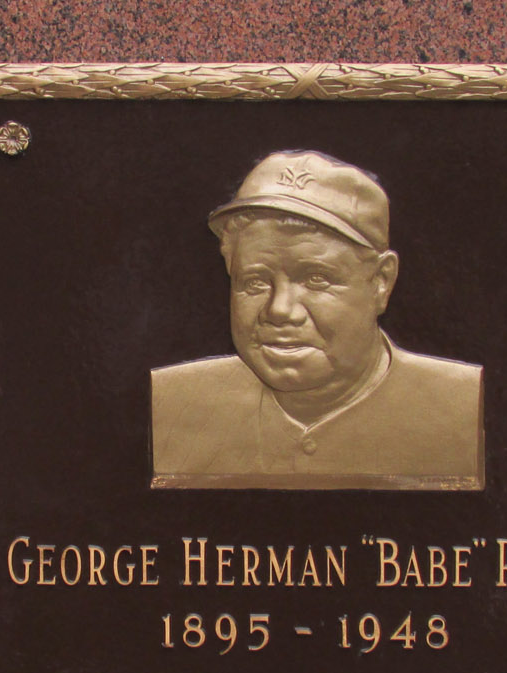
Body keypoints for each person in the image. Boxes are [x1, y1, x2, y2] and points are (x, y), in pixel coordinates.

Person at [151, 150, 484, 489]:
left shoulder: (463, 409)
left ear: (381, 282)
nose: (279, 310)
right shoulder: (170, 405)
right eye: (255, 282)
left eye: (316, 280)